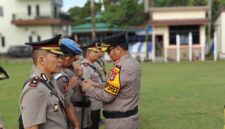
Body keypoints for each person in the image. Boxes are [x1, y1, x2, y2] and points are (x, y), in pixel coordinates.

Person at [81, 33, 141, 129]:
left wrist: (88, 90)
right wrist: (96, 84)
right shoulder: (132, 62)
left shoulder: (120, 68)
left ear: (118, 49)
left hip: (119, 122)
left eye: (109, 51)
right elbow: (117, 85)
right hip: (127, 118)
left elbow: (107, 96)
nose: (108, 55)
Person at [19, 35, 70, 129]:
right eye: (56, 57)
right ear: (41, 60)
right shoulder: (35, 89)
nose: (60, 61)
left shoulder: (51, 81)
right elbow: (31, 127)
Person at [54, 38, 83, 129]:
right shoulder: (60, 77)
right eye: (72, 60)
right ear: (67, 59)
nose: (73, 62)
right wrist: (70, 86)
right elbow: (62, 102)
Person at [81, 43, 104, 129]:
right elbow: (86, 86)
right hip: (91, 104)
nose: (98, 53)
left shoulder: (94, 65)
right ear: (88, 53)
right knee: (92, 126)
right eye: (95, 51)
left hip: (97, 101)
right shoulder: (85, 67)